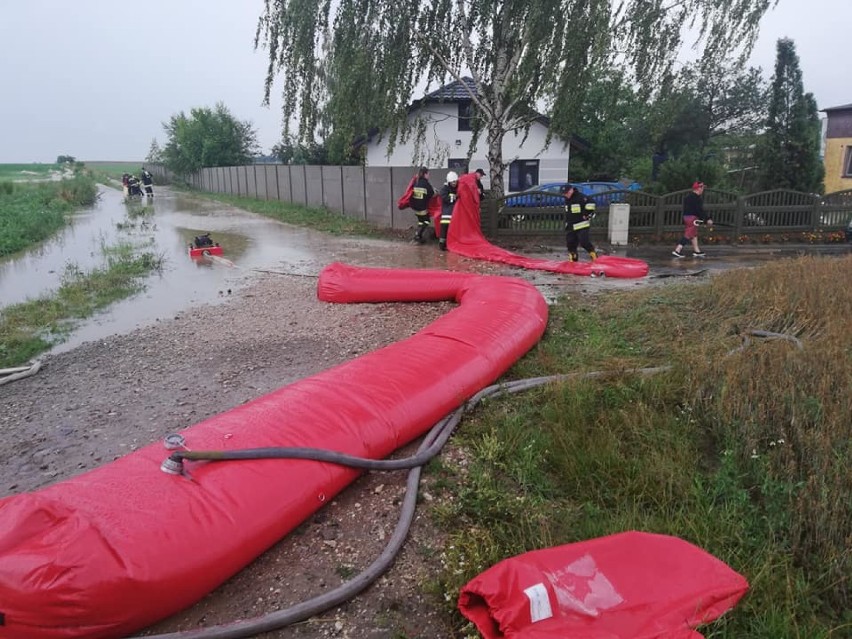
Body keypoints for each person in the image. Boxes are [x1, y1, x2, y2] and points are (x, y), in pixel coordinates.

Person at [672, 181, 713, 258]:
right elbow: (699, 210)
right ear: (698, 188)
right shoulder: (697, 199)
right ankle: (677, 250)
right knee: (688, 234)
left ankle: (697, 251)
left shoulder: (687, 197)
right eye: (702, 187)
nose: (703, 189)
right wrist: (707, 219)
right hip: (692, 218)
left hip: (686, 217)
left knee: (694, 234)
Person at [561, 184, 597, 262]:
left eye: (567, 193)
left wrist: (586, 214)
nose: (566, 195)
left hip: (582, 225)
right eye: (564, 193)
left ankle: (594, 256)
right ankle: (573, 259)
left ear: (571, 190)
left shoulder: (581, 197)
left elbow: (592, 203)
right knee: (570, 243)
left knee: (584, 242)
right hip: (571, 225)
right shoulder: (567, 199)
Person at [409, 167, 435, 243]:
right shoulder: (426, 184)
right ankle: (418, 235)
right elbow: (431, 194)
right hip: (422, 208)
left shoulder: (416, 182)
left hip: (415, 207)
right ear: (425, 174)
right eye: (428, 174)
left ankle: (419, 237)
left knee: (420, 221)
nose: (429, 176)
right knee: (427, 221)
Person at [438, 171, 459, 251]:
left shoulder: (457, 189)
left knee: (452, 232)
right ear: (449, 181)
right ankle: (442, 246)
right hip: (446, 216)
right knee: (444, 231)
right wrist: (455, 198)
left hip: (454, 215)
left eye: (455, 181)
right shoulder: (444, 189)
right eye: (453, 181)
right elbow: (445, 198)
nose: (454, 183)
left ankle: (451, 245)